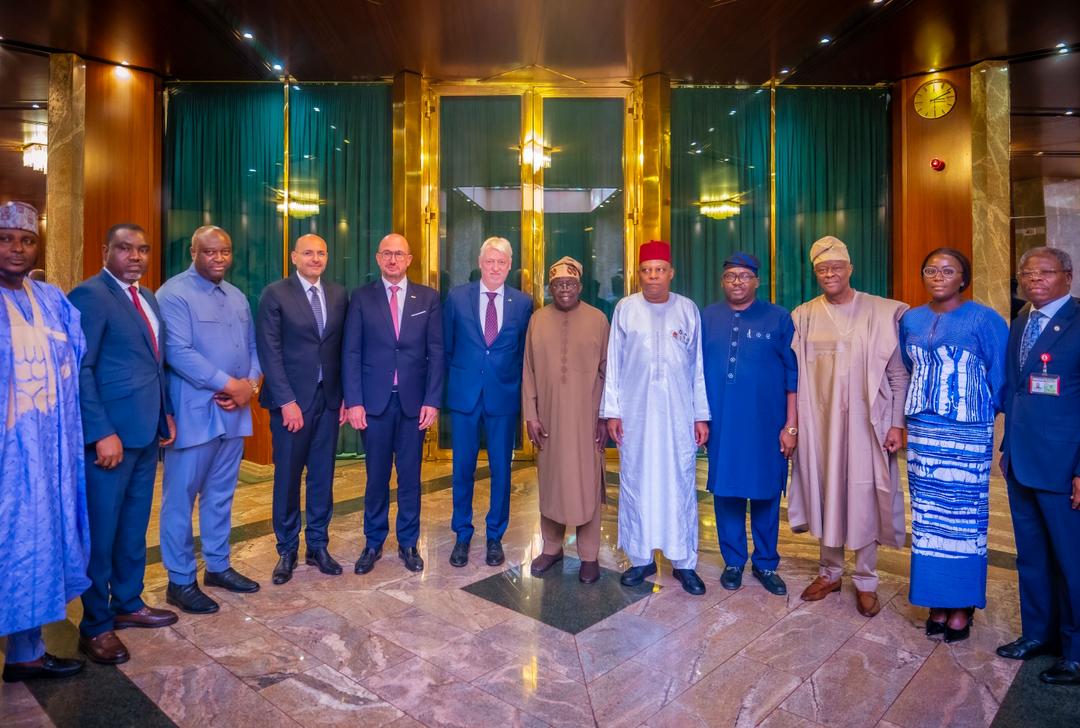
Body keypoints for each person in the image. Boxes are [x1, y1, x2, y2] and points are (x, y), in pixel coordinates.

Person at [67, 224, 179, 666]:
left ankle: (128, 603)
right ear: (105, 251)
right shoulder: (90, 295)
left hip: (146, 432)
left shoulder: (147, 296)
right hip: (110, 438)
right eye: (125, 249)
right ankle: (95, 625)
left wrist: (165, 413)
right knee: (102, 533)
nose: (135, 256)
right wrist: (100, 432)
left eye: (143, 249)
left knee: (133, 526)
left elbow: (155, 363)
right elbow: (81, 368)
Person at [788, 236, 909, 618]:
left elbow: (898, 376)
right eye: (822, 269)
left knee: (865, 496)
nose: (830, 274)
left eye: (836, 267)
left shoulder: (880, 312)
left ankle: (866, 581)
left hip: (868, 425)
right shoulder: (804, 315)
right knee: (827, 494)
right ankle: (830, 573)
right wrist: (794, 426)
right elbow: (794, 377)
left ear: (850, 269)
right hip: (820, 426)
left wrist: (896, 424)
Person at [899, 248, 1008, 643]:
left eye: (948, 271)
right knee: (928, 518)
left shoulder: (984, 319)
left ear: (963, 278)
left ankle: (961, 605)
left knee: (963, 517)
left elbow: (1001, 376)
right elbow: (909, 367)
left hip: (967, 430)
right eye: (931, 270)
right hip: (924, 431)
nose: (938, 277)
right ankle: (935, 600)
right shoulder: (911, 319)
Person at [0, 201, 89, 682]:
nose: (17, 248)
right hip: (7, 457)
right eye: (5, 239)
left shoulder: (52, 299)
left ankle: (26, 652)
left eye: (27, 240)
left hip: (49, 453)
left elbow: (79, 354)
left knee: (36, 547)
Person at [157, 225, 262, 614]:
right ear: (193, 252)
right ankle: (180, 580)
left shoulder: (236, 296)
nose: (218, 258)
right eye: (209, 252)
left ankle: (218, 566)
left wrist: (250, 385)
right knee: (180, 499)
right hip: (194, 414)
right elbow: (177, 352)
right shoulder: (173, 294)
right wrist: (230, 385)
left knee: (220, 495)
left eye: (225, 251)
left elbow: (252, 347)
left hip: (234, 414)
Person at [601, 240, 711, 595]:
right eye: (646, 270)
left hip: (678, 415)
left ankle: (684, 562)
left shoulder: (687, 309)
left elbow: (697, 367)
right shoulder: (625, 309)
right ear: (639, 274)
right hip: (636, 415)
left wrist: (700, 416)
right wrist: (613, 411)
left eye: (659, 270)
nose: (653, 276)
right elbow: (614, 364)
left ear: (670, 273)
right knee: (637, 482)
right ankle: (640, 558)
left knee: (679, 484)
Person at [997, 246, 1080, 686]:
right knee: (1031, 556)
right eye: (1027, 274)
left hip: (1064, 465)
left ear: (1068, 275)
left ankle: (1076, 651)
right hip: (1022, 460)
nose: (1034, 280)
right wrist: (1007, 448)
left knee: (1072, 560)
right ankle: (1038, 634)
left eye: (1045, 273)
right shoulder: (1020, 322)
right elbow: (1016, 391)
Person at [343, 233, 443, 575]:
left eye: (399, 254)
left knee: (410, 477)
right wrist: (354, 401)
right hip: (374, 404)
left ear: (409, 259)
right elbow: (351, 352)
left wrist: (433, 400)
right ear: (377, 258)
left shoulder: (427, 298)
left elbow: (437, 353)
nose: (393, 259)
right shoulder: (361, 297)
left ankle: (409, 542)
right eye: (387, 253)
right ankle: (373, 542)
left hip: (414, 404)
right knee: (376, 477)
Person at [702, 253, 797, 597]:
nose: (737, 282)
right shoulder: (707, 317)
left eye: (744, 276)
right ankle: (733, 561)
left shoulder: (778, 317)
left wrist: (791, 425)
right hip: (723, 423)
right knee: (726, 490)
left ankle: (766, 562)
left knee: (766, 491)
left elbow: (793, 376)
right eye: (731, 276)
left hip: (765, 424)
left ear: (757, 281)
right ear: (722, 281)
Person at [256, 234, 348, 585]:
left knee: (323, 476)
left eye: (321, 253)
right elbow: (269, 351)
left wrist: (344, 397)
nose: (315, 258)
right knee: (288, 477)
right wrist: (286, 401)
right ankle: (287, 549)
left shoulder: (338, 294)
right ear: (294, 257)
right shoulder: (275, 294)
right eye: (308, 253)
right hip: (291, 404)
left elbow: (343, 348)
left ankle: (318, 546)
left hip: (328, 400)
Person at [443, 237, 533, 568]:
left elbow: (523, 352)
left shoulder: (522, 303)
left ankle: (495, 535)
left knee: (501, 470)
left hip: (502, 397)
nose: (495, 268)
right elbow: (447, 347)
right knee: (462, 469)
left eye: (501, 262)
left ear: (510, 266)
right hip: (465, 396)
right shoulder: (457, 297)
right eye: (490, 261)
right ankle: (462, 533)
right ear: (480, 263)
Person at [523, 256, 609, 584]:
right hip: (548, 420)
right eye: (558, 284)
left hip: (587, 420)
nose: (564, 289)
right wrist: (531, 415)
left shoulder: (598, 319)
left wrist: (605, 417)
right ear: (550, 287)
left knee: (587, 484)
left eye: (570, 284)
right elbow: (528, 371)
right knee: (551, 483)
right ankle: (551, 548)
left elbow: (609, 372)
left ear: (580, 286)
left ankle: (589, 555)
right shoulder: (537, 320)